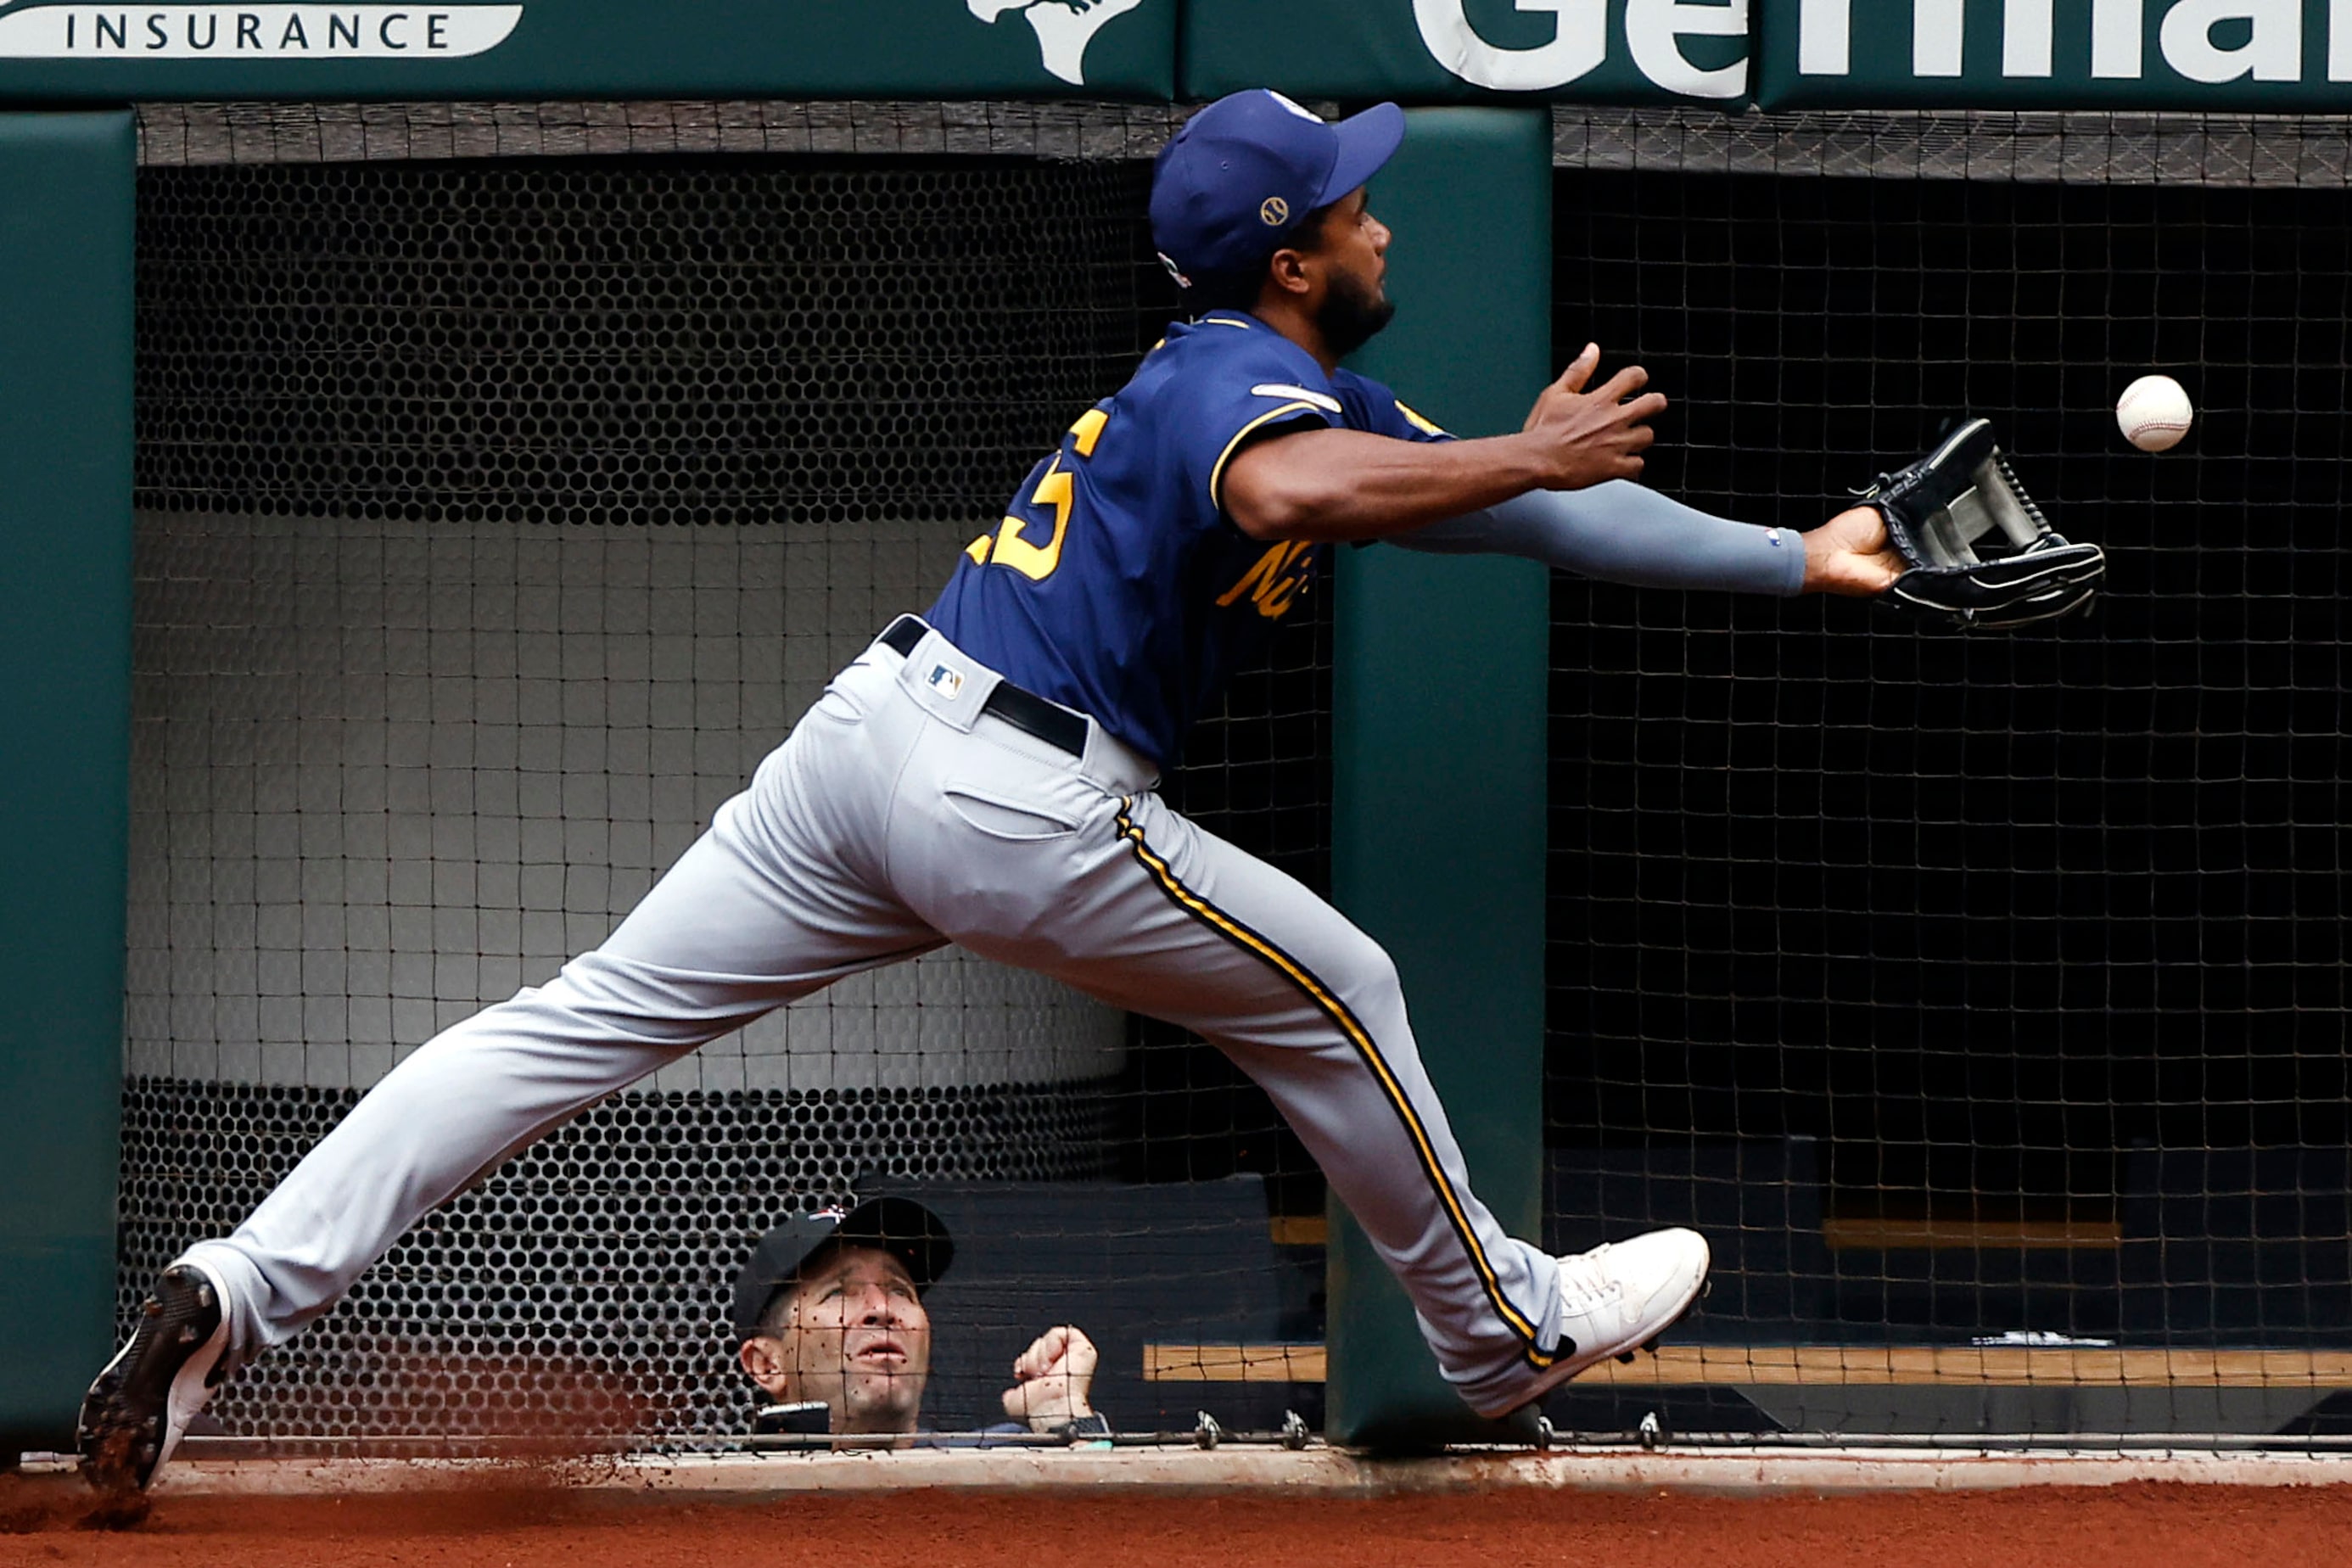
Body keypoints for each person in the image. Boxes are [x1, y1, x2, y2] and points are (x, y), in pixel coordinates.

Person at [80, 86, 1906, 1493]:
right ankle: (1502, 1331)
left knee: (571, 1026)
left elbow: (1539, 507)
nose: (1376, 212)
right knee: (1342, 983)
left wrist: (1793, 556)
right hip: (1013, 790)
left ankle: (238, 1291)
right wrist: (1522, 442)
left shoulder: (1286, 380)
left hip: (872, 748)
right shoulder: (1224, 388)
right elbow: (1290, 497)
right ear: (1290, 259)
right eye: (1348, 201)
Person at [731, 1196, 1107, 1441]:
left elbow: (1107, 1535)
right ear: (766, 1364)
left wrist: (1062, 1414)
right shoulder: (720, 1499)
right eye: (838, 1293)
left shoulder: (1001, 1463)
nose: (882, 1310)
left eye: (899, 1290)